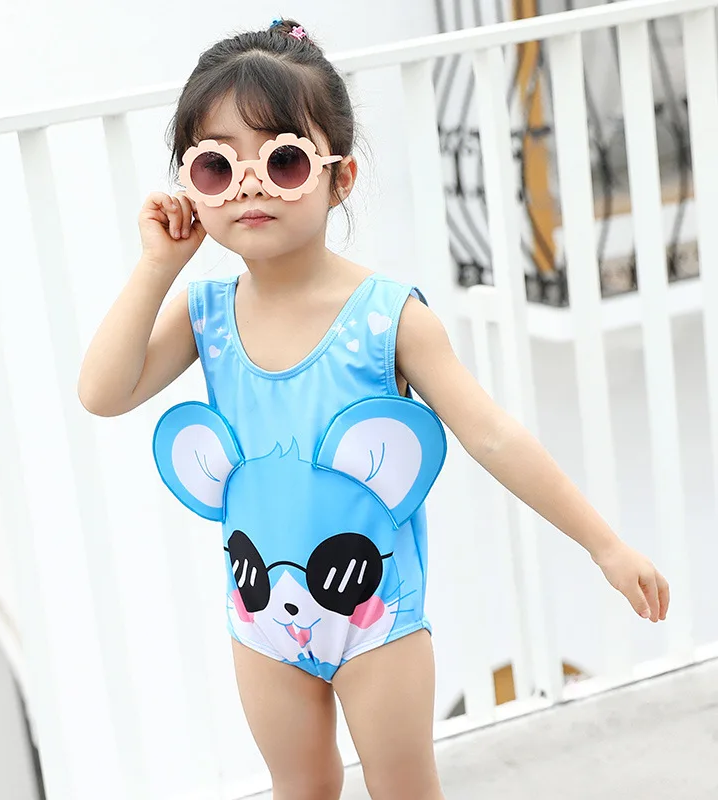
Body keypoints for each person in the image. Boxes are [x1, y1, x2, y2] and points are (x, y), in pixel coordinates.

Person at [78, 18, 670, 800]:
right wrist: (159, 266)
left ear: (340, 178)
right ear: (193, 186)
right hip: (259, 619)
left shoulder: (388, 318)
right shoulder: (205, 315)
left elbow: (493, 436)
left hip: (376, 620)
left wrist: (605, 546)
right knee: (301, 788)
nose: (250, 184)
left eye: (283, 160)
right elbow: (103, 392)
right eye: (218, 165)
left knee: (403, 788)